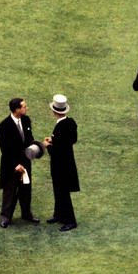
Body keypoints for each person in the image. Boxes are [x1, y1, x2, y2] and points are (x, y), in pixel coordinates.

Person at [0, 97, 40, 227]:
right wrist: (16, 165)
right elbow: (5, 149)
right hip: (11, 165)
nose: (26, 108)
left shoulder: (26, 120)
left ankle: (26, 213)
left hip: (25, 162)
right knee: (10, 191)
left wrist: (36, 147)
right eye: (24, 107)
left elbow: (29, 139)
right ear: (16, 109)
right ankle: (5, 217)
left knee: (25, 189)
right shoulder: (4, 126)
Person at [45, 94, 80, 232]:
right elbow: (68, 141)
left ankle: (70, 220)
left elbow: (57, 150)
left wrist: (48, 145)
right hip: (67, 163)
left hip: (61, 166)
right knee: (58, 191)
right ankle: (59, 214)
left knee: (63, 193)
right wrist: (54, 141)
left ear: (55, 112)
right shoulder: (70, 123)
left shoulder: (60, 127)